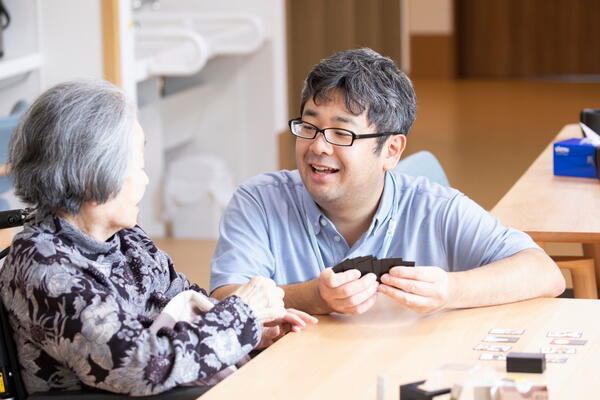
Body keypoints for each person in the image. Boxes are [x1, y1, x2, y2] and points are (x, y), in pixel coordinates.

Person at [0, 80, 317, 396]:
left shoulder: (126, 240)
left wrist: (254, 331)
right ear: (91, 176)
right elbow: (138, 365)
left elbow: (188, 304)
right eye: (135, 168)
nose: (145, 180)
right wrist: (240, 317)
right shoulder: (44, 269)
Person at [210, 48, 565, 315]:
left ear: (391, 150)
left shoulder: (434, 208)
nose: (318, 146)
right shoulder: (259, 200)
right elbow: (226, 300)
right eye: (309, 126)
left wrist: (451, 288)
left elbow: (544, 272)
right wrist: (315, 296)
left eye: (341, 133)